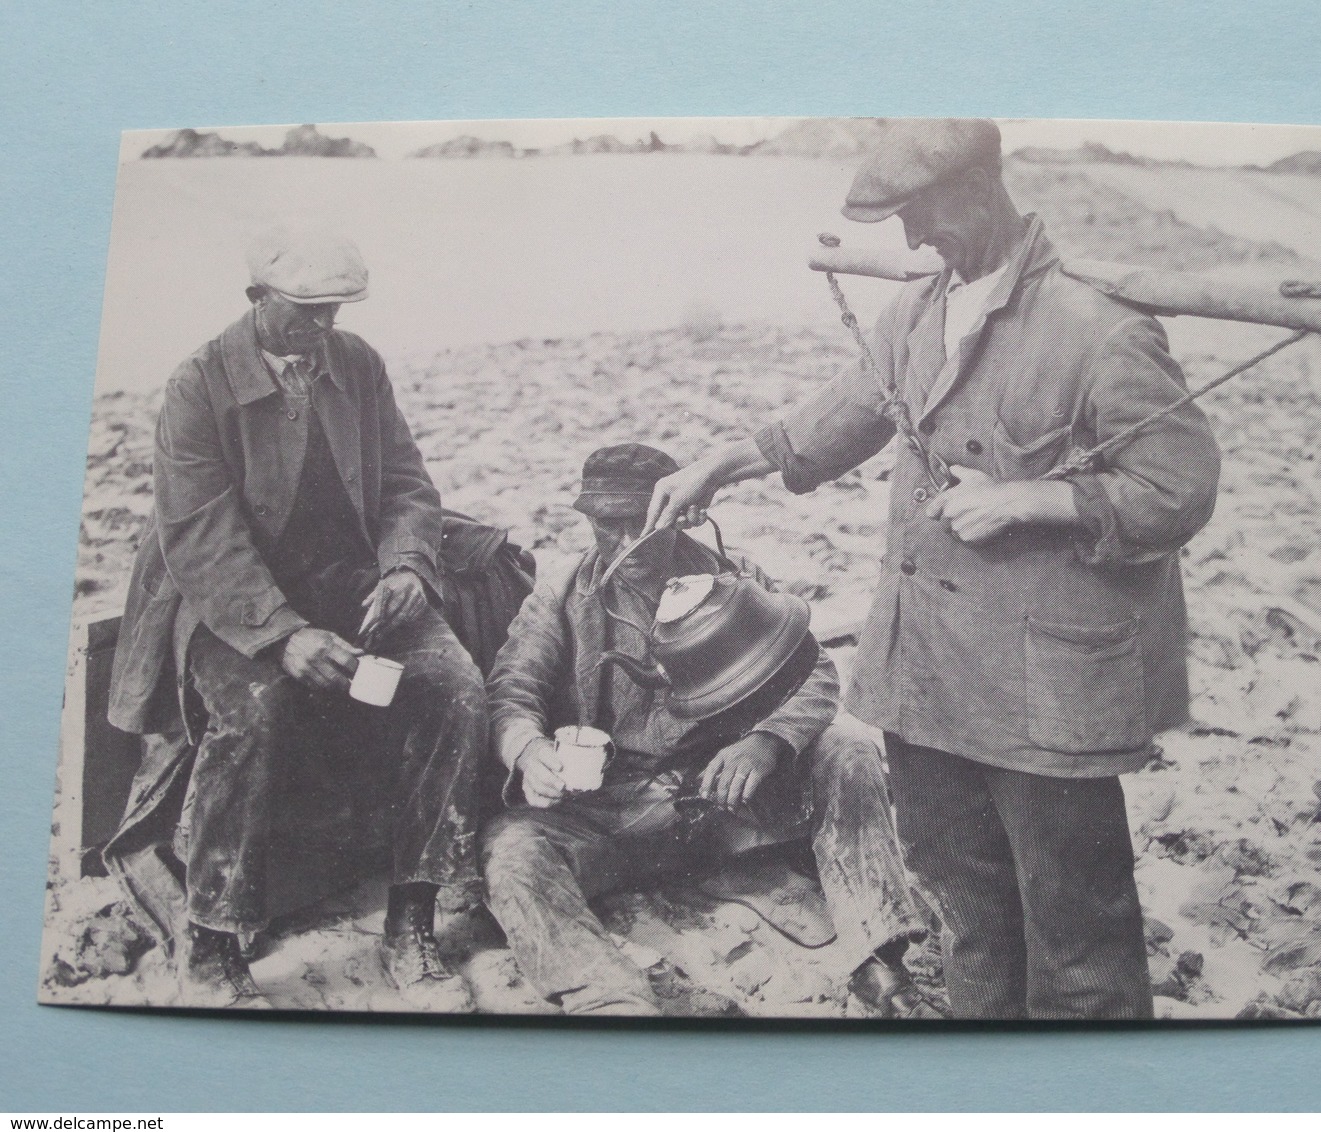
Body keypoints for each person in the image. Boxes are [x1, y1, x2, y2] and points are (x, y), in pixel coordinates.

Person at [645, 119, 1223, 1019]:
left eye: (921, 214)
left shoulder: (1099, 327)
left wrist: (1037, 498)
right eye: (899, 221)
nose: (911, 241)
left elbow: (1179, 485)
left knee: (1079, 934)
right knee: (968, 912)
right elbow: (829, 423)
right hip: (928, 678)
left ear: (982, 187)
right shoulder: (916, 311)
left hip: (1047, 695)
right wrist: (719, 464)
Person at [104, 226, 487, 1007]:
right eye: (306, 313)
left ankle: (410, 918)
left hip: (348, 581)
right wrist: (281, 634)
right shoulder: (197, 384)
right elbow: (201, 536)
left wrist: (408, 566)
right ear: (257, 300)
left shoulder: (358, 363)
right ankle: (210, 944)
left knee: (457, 689)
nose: (323, 330)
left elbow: (409, 484)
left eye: (334, 313)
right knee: (255, 710)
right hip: (229, 602)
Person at [480, 443, 937, 1018]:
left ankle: (878, 957)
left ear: (676, 513)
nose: (625, 545)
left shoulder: (730, 578)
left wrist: (765, 742)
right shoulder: (561, 597)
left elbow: (814, 671)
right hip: (608, 812)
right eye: (607, 527)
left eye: (639, 526)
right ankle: (607, 1000)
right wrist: (528, 750)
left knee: (847, 748)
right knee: (512, 848)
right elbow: (510, 689)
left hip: (720, 804)